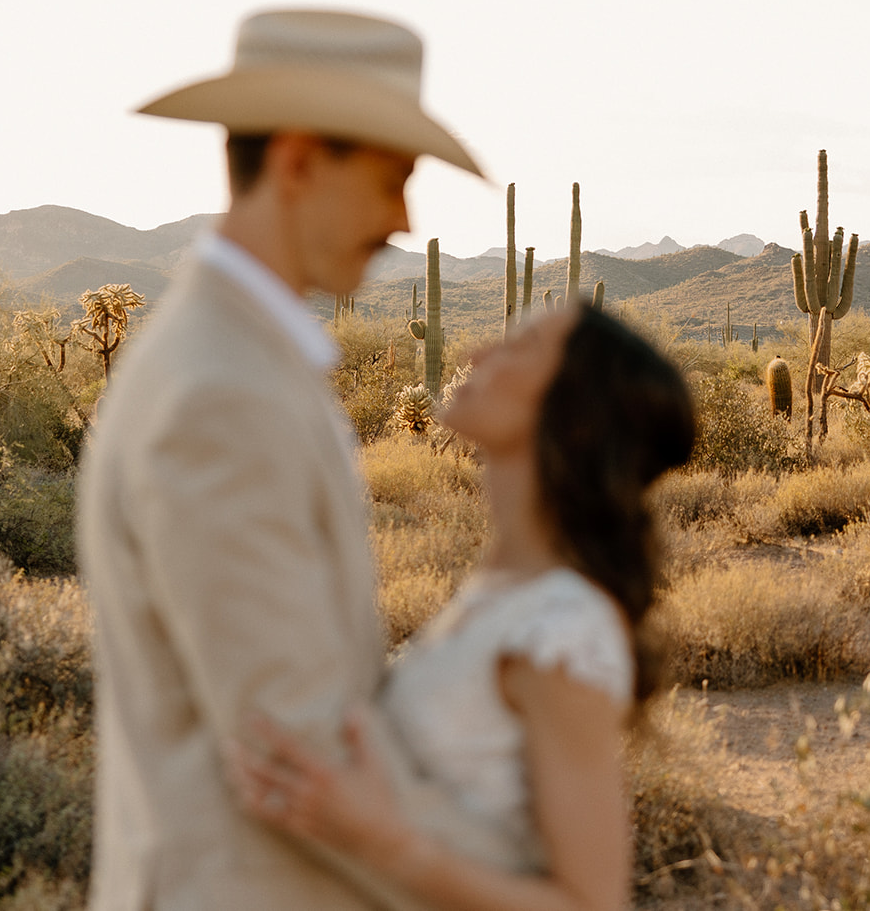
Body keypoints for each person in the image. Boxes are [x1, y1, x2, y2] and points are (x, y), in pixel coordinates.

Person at [77, 8, 527, 911]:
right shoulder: (220, 394)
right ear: (295, 162)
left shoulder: (239, 361)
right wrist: (528, 884)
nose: (403, 217)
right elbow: (298, 745)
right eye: (392, 178)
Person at [230, 303, 697, 911]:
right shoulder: (501, 590)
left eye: (519, 347)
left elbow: (591, 902)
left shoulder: (563, 627)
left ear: (576, 416)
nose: (478, 355)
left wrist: (387, 845)